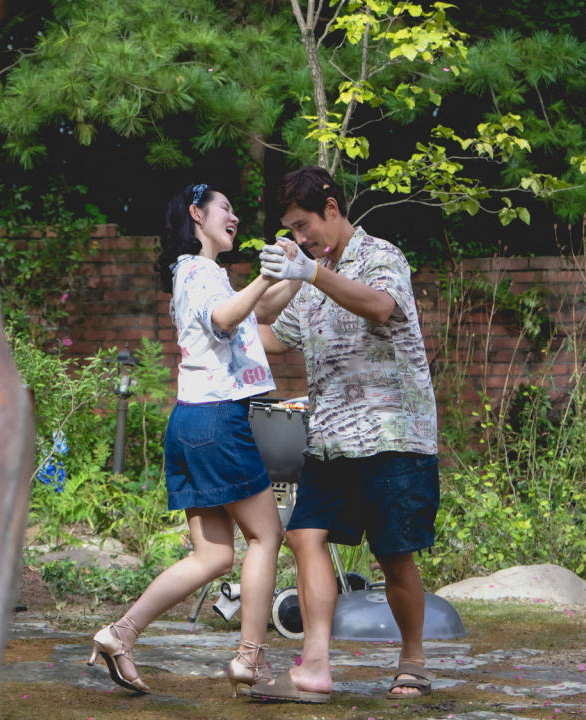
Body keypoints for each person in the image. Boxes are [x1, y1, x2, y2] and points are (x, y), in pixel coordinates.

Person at [250, 166, 441, 703]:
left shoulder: (382, 256)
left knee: (393, 554)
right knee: (303, 535)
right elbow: (271, 335)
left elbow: (379, 306)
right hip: (330, 438)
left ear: (331, 209)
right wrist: (216, 317)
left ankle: (413, 660)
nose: (298, 237)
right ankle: (314, 665)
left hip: (391, 434)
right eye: (291, 229)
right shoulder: (310, 276)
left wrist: (310, 272)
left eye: (303, 225)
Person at [88, 183, 284, 697]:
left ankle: (120, 633)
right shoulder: (200, 271)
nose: (234, 216)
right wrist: (268, 275)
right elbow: (226, 318)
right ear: (197, 214)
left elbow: (259, 316)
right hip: (218, 420)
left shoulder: (199, 274)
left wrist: (298, 274)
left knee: (213, 557)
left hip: (191, 422)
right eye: (225, 208)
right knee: (266, 536)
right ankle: (250, 658)